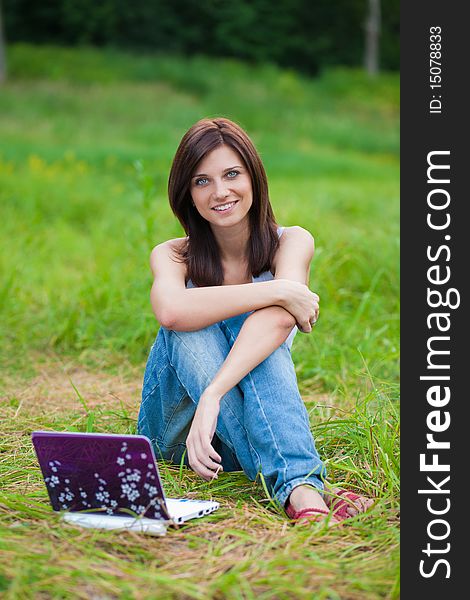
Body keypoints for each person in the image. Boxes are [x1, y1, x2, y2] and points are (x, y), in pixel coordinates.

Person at [137, 117, 372, 525]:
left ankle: (299, 488)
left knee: (267, 337)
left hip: (232, 432)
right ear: (187, 194)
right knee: (192, 325)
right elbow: (172, 312)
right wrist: (277, 290)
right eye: (202, 181)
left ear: (254, 178)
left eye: (232, 174)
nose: (220, 192)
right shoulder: (172, 254)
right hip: (182, 434)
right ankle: (304, 485)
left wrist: (214, 393)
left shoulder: (292, 242)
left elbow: (280, 322)